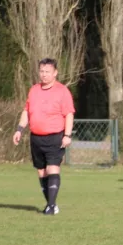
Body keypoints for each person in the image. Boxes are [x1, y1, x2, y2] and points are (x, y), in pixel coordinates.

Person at [12, 58, 75, 215]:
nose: (44, 75)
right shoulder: (34, 90)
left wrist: (67, 135)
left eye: (47, 72)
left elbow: (69, 114)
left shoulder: (62, 91)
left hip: (55, 137)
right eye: (42, 71)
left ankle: (51, 206)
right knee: (41, 172)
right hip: (36, 138)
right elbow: (27, 111)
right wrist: (19, 129)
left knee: (53, 168)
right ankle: (51, 204)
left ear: (55, 73)